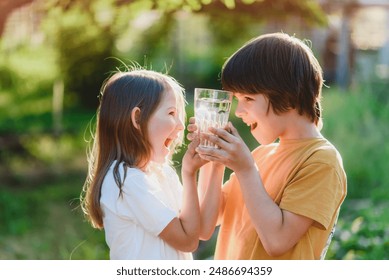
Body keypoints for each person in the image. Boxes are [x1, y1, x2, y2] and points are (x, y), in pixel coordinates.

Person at [188, 32, 347, 259]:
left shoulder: (321, 161)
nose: (239, 111)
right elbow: (206, 225)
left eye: (249, 99)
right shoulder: (261, 155)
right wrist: (213, 158)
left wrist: (245, 169)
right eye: (237, 99)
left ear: (288, 96)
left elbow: (277, 241)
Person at [80, 67, 206, 259]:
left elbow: (200, 227)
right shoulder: (126, 180)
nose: (180, 125)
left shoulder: (161, 172)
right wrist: (189, 174)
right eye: (171, 113)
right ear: (137, 118)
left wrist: (215, 162)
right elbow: (188, 241)